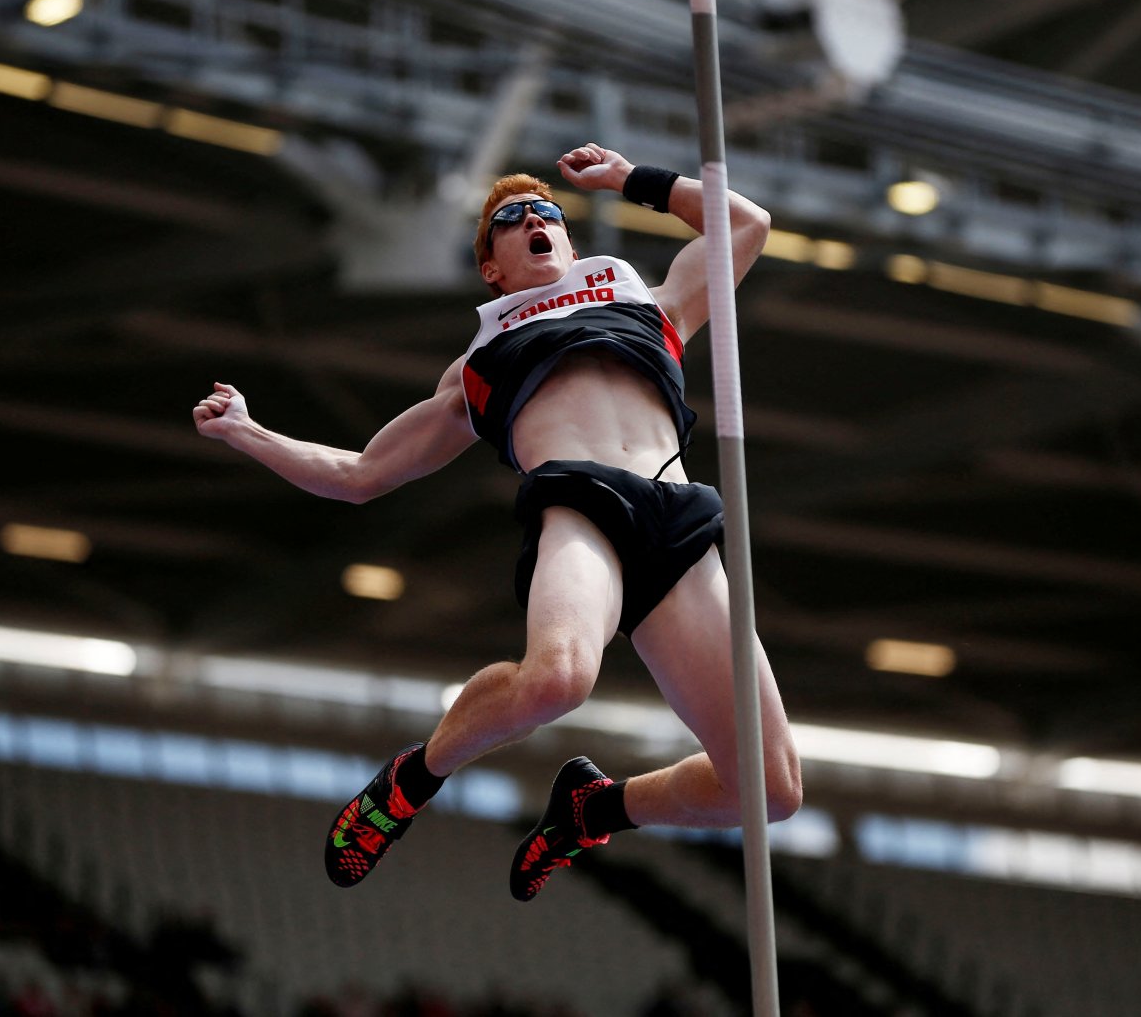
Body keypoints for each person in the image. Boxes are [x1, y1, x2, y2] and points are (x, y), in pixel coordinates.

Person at [192, 142, 803, 901]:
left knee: (770, 791)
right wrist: (248, 432)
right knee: (557, 679)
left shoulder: (649, 300)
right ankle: (413, 779)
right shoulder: (479, 360)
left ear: (571, 240)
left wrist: (626, 179)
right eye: (514, 219)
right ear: (493, 268)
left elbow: (745, 223)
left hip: (677, 519)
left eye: (548, 212)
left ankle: (593, 809)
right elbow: (360, 476)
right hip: (583, 508)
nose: (537, 219)